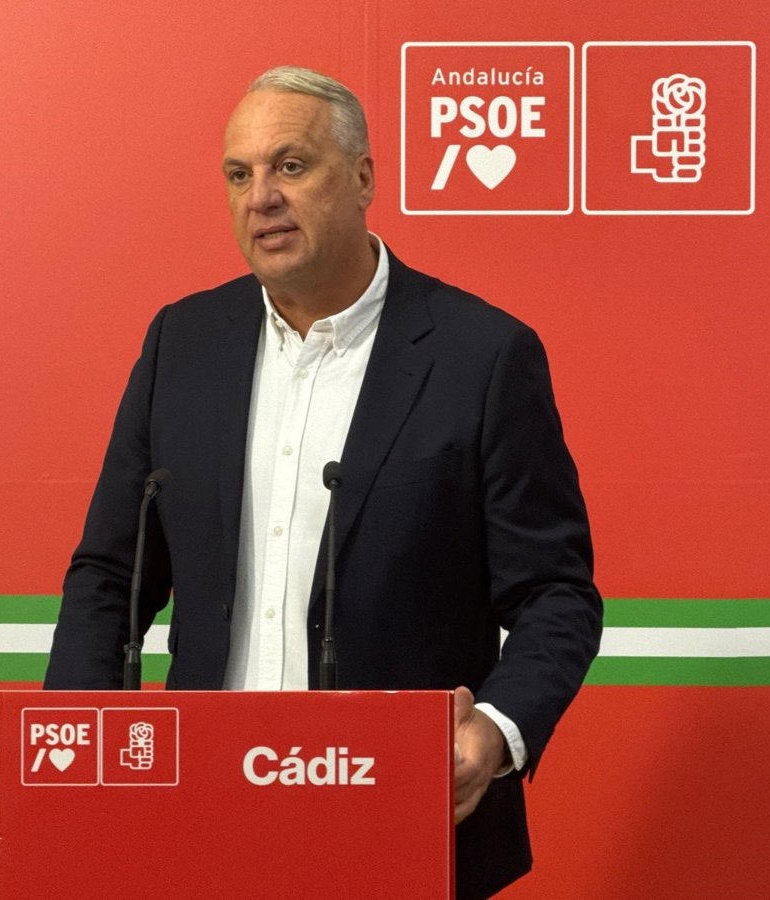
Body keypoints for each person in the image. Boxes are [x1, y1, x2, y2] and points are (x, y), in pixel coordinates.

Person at [45, 65, 603, 898]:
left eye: (291, 166)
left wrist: (493, 731)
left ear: (364, 178)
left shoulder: (480, 356)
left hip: (403, 811)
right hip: (203, 813)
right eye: (240, 175)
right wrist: (75, 748)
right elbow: (109, 574)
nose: (262, 198)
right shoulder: (181, 344)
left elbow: (556, 593)